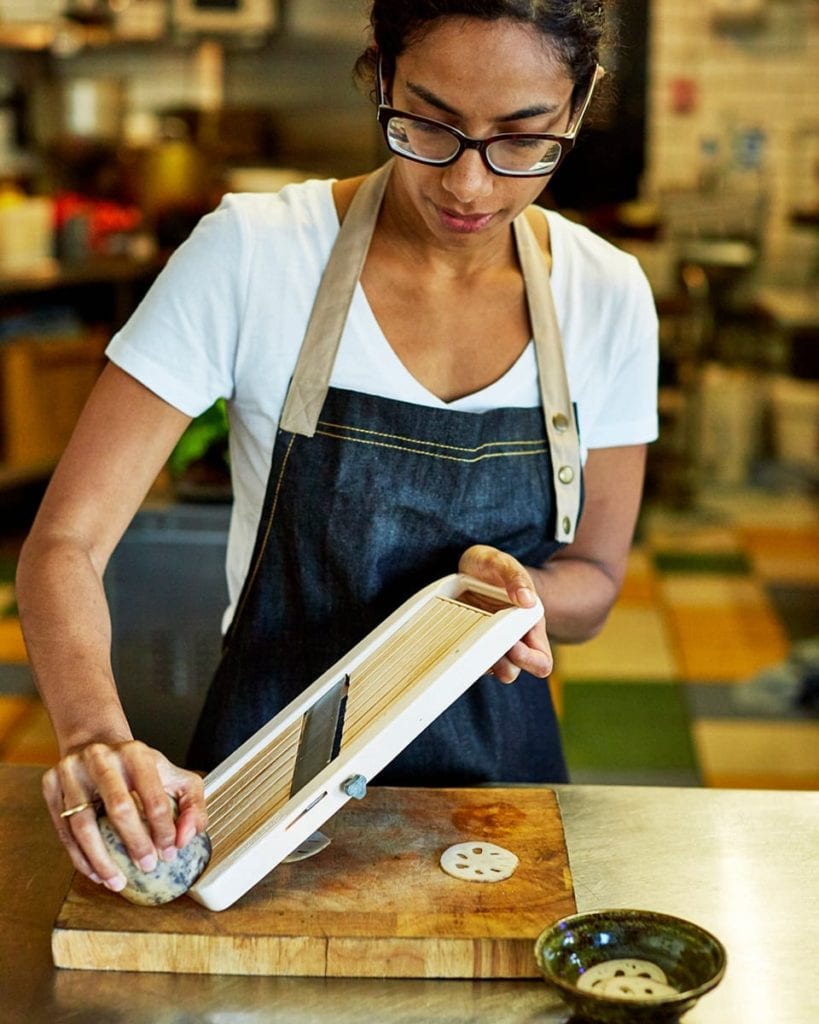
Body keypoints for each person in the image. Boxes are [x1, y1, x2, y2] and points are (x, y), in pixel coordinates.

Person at [16, 0, 658, 896]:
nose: (469, 187)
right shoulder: (253, 254)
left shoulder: (607, 294)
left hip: (498, 790)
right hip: (260, 787)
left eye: (520, 139)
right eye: (429, 125)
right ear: (380, 77)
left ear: (579, 105)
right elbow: (64, 544)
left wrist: (515, 598)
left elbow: (592, 583)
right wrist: (93, 734)